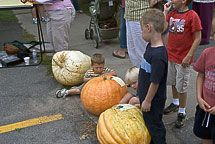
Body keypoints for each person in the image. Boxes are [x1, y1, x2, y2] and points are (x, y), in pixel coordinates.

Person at [163, 0, 202, 128]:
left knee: (182, 86)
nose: (171, 1)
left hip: (183, 59)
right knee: (173, 81)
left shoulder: (192, 16)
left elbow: (198, 37)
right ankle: (175, 103)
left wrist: (189, 55)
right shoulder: (172, 14)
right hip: (171, 55)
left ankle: (182, 111)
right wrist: (165, 12)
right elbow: (163, 28)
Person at [138, 9, 168, 144]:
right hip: (147, 96)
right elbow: (162, 26)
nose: (141, 33)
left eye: (142, 29)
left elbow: (155, 82)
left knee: (155, 126)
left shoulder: (158, 56)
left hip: (153, 100)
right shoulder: (151, 46)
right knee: (150, 123)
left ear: (148, 28)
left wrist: (147, 101)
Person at [192, 47, 215, 144]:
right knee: (205, 135)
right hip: (205, 108)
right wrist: (199, 97)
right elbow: (201, 75)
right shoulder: (207, 53)